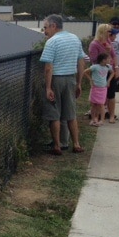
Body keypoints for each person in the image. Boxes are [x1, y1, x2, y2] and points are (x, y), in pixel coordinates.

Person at [40, 14, 86, 155]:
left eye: (46, 27)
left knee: (55, 114)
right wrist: (79, 82)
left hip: (56, 80)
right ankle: (76, 144)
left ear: (54, 26)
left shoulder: (52, 42)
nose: (45, 31)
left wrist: (48, 87)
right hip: (71, 79)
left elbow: (48, 67)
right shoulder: (75, 38)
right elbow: (81, 62)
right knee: (71, 114)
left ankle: (57, 145)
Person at [89, 23, 119, 123]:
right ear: (103, 32)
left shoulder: (108, 42)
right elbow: (94, 60)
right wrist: (106, 52)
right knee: (98, 96)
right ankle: (96, 117)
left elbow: (114, 55)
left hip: (109, 69)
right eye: (108, 31)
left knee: (111, 93)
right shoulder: (94, 44)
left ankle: (111, 115)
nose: (110, 33)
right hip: (100, 72)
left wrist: (116, 67)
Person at [82, 52, 112, 126]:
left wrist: (108, 81)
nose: (109, 60)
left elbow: (112, 73)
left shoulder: (108, 67)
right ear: (103, 60)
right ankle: (93, 119)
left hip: (103, 88)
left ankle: (101, 119)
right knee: (94, 104)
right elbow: (85, 72)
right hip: (95, 88)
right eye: (108, 59)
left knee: (101, 104)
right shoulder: (95, 67)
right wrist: (90, 79)